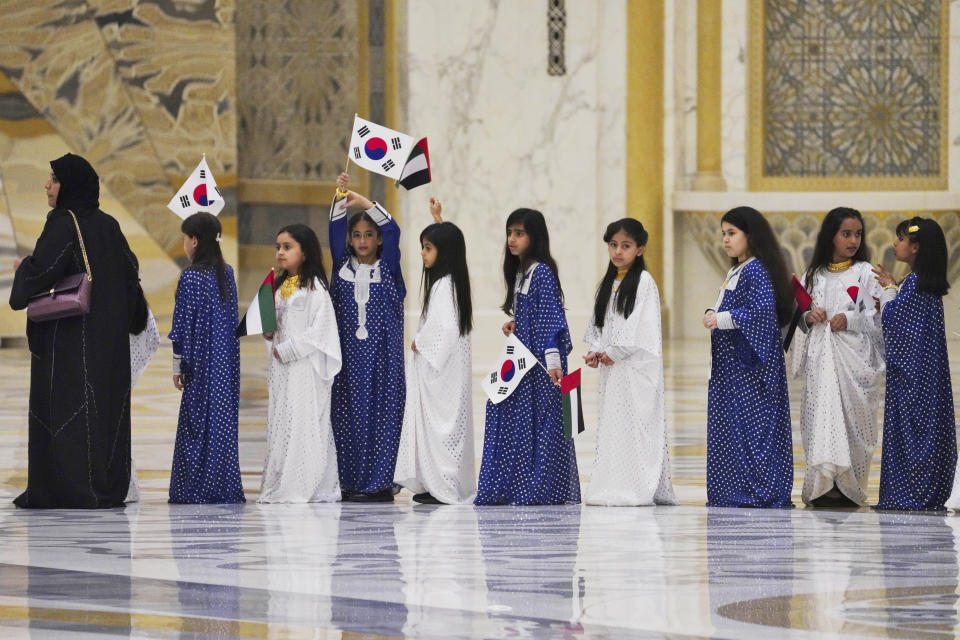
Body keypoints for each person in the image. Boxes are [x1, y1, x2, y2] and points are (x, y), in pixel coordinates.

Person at [9, 152, 146, 508]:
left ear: (67, 186)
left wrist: (23, 271)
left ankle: (71, 488)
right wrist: (133, 319)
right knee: (105, 411)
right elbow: (131, 273)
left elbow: (44, 270)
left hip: (69, 342)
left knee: (69, 409)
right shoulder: (110, 225)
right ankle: (106, 487)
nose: (47, 186)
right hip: (109, 345)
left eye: (53, 180)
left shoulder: (62, 222)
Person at [474, 208, 580, 505]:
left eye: (519, 233)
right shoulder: (523, 273)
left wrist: (555, 363)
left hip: (544, 366)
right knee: (507, 413)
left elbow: (552, 319)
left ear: (535, 237)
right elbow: (536, 314)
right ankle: (517, 486)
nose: (512, 239)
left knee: (548, 424)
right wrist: (517, 323)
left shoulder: (542, 272)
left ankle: (540, 489)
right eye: (510, 233)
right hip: (523, 360)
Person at [791, 207, 884, 507]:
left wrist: (850, 320)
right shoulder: (813, 276)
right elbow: (798, 324)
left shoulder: (866, 273)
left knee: (854, 422)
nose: (854, 240)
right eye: (846, 234)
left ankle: (850, 487)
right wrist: (808, 316)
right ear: (831, 236)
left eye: (858, 234)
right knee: (821, 418)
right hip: (821, 360)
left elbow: (879, 320)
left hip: (855, 361)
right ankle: (822, 486)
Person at [702, 206, 794, 508]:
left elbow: (761, 312)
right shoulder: (737, 270)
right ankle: (734, 489)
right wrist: (713, 314)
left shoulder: (755, 269)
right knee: (735, 432)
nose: (725, 240)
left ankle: (757, 490)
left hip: (750, 370)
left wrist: (722, 319)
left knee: (753, 433)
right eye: (723, 234)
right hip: (733, 369)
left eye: (732, 233)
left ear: (750, 236)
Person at [582, 218, 677, 507]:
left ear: (640, 249)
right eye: (613, 245)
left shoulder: (644, 282)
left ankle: (636, 486)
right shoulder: (609, 282)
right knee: (614, 427)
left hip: (635, 369)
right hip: (615, 370)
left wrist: (615, 351)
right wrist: (596, 350)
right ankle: (613, 483)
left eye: (626, 245)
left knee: (636, 425)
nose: (618, 252)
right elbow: (601, 322)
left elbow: (639, 327)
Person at [328, 173, 405, 502]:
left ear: (378, 241)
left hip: (383, 362)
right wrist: (340, 195)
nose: (362, 240)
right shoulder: (341, 267)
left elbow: (394, 229)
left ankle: (379, 484)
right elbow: (332, 231)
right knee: (347, 421)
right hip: (347, 364)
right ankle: (349, 483)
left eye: (369, 235)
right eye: (356, 235)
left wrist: (363, 203)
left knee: (383, 419)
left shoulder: (388, 268)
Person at [395, 198, 476, 505]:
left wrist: (420, 343)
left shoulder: (448, 286)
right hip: (438, 371)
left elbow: (446, 329)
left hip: (442, 372)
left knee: (443, 427)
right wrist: (439, 220)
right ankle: (433, 482)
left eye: (428, 248)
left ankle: (445, 484)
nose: (422, 254)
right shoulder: (447, 282)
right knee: (435, 427)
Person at [873, 217, 956, 510]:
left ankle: (913, 492)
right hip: (924, 377)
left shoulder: (916, 285)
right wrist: (894, 288)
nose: (896, 244)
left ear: (916, 246)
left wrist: (887, 291)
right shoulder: (918, 283)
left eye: (901, 239)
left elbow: (894, 322)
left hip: (914, 381)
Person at [259, 224, 342, 503]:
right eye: (278, 247)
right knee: (283, 423)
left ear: (304, 253)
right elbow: (274, 324)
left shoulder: (315, 288)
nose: (280, 252)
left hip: (305, 368)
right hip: (282, 369)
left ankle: (305, 483)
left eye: (287, 247)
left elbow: (320, 332)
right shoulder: (281, 285)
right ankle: (282, 480)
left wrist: (289, 349)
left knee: (303, 423)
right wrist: (269, 335)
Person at [168, 212, 245, 504]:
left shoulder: (190, 277)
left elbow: (181, 328)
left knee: (196, 424)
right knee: (221, 425)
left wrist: (179, 366)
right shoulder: (226, 275)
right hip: (226, 365)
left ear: (195, 240)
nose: (184, 244)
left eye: (185, 238)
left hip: (200, 364)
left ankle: (194, 489)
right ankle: (221, 487)